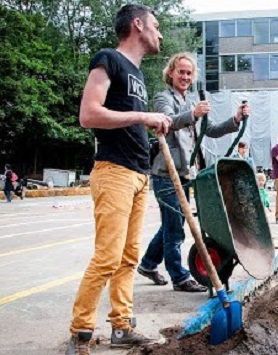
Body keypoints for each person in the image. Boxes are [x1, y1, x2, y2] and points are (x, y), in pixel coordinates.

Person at [66, 4, 173, 354]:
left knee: (128, 258)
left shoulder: (139, 76)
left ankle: (122, 326)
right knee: (108, 257)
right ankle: (81, 332)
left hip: (139, 175)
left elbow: (128, 118)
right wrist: (143, 115)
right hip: (113, 172)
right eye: (156, 26)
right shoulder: (108, 59)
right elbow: (88, 114)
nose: (160, 33)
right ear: (138, 25)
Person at [137, 52, 249, 293]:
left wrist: (235, 119)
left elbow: (211, 130)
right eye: (181, 72)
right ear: (171, 73)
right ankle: (179, 276)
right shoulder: (163, 97)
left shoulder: (190, 101)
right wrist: (193, 114)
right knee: (175, 226)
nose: (185, 77)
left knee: (173, 222)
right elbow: (168, 120)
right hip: (166, 173)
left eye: (189, 73)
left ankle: (147, 264)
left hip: (186, 174)